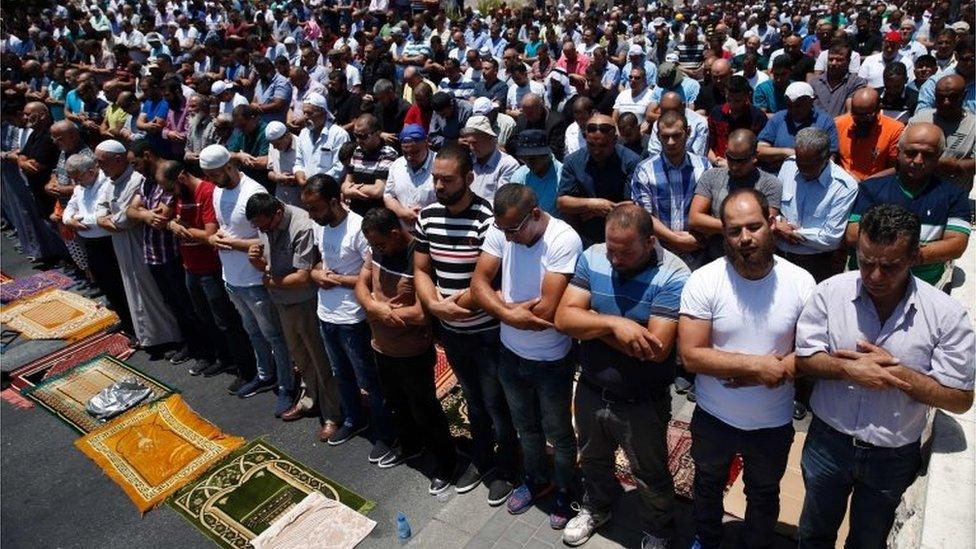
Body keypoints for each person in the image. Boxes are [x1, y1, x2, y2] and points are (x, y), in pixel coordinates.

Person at [795, 203, 975, 548]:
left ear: (914, 258)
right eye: (866, 262)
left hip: (892, 457)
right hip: (828, 443)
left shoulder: (947, 316)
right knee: (813, 533)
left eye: (889, 266)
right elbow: (804, 360)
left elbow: (960, 399)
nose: (875, 276)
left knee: (868, 541)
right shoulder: (830, 292)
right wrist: (848, 368)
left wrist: (899, 373)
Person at [679, 187, 816, 549]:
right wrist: (756, 367)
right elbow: (691, 355)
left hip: (772, 422)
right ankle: (706, 539)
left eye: (753, 227)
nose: (745, 238)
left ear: (771, 223)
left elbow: (813, 352)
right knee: (707, 484)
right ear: (723, 233)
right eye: (734, 230)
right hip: (713, 417)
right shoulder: (704, 280)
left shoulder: (801, 283)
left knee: (764, 492)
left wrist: (781, 368)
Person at [555, 204, 689, 549]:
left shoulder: (674, 275)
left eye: (625, 252)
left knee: (650, 474)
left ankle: (658, 530)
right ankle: (596, 507)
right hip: (590, 388)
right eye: (611, 249)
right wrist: (616, 323)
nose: (615, 259)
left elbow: (654, 348)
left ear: (650, 241)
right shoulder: (593, 256)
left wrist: (591, 323)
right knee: (593, 460)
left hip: (641, 401)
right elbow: (564, 320)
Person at [413, 144, 519, 506]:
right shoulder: (427, 216)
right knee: (472, 398)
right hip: (452, 330)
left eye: (447, 179)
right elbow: (422, 270)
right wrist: (431, 303)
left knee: (496, 400)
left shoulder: (488, 220)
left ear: (469, 178)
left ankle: (507, 466)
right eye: (436, 179)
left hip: (487, 332)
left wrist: (454, 304)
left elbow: (491, 279)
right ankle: (482, 458)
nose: (439, 186)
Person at [471, 183, 582, 528]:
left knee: (559, 431)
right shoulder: (504, 228)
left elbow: (546, 312)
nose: (507, 239)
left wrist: (501, 302)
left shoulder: (564, 240)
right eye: (502, 230)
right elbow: (478, 285)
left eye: (513, 231)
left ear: (535, 215)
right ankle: (536, 479)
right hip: (510, 353)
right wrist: (508, 312)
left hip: (551, 359)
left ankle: (567, 488)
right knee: (525, 427)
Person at [354, 206, 457, 487]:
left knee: (425, 408)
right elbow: (361, 285)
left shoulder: (418, 257)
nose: (378, 249)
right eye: (374, 245)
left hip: (412, 351)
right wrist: (373, 305)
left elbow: (425, 313)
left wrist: (387, 314)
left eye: (381, 243)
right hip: (381, 346)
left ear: (396, 233)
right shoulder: (377, 249)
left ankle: (447, 463)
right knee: (396, 403)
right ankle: (411, 446)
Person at [300, 173, 395, 456]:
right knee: (341, 374)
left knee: (368, 378)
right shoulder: (320, 226)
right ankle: (354, 419)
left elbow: (374, 277)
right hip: (326, 313)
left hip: (353, 317)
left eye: (315, 208)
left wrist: (338, 280)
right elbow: (319, 263)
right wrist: (317, 273)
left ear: (333, 201)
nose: (312, 215)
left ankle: (385, 432)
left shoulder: (357, 228)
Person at [198, 144, 295, 403]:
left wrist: (229, 242)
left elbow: (265, 241)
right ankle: (265, 375)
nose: (211, 181)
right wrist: (216, 236)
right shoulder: (218, 191)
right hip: (231, 277)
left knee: (274, 335)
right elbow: (223, 226)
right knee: (252, 332)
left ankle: (286, 385)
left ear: (229, 166)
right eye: (207, 176)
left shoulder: (253, 192)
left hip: (254, 279)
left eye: (214, 174)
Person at [244, 192, 341, 433]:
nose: (261, 231)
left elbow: (301, 277)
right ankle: (309, 400)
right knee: (300, 355)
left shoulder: (301, 226)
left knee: (320, 358)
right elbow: (268, 266)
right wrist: (257, 263)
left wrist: (269, 280)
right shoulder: (265, 224)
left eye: (264, 226)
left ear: (277, 214)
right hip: (282, 301)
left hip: (304, 302)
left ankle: (333, 413)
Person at [158, 160, 254, 382]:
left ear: (181, 177)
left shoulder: (206, 192)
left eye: (170, 188)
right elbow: (165, 215)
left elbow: (211, 235)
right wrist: (171, 222)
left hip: (210, 267)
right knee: (204, 317)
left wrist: (180, 228)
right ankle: (220, 358)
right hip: (190, 266)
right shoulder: (181, 194)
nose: (170, 194)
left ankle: (243, 367)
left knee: (226, 321)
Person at [844, 123, 971, 290]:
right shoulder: (871, 189)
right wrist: (905, 254)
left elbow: (956, 245)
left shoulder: (954, 195)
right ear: (898, 152)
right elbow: (853, 235)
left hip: (924, 286)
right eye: (911, 153)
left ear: (939, 156)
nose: (918, 161)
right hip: (867, 283)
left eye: (928, 155)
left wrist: (905, 256)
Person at [93, 139, 181, 350]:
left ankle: (166, 337)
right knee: (133, 289)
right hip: (121, 244)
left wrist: (110, 221)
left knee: (150, 292)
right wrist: (103, 219)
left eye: (101, 161)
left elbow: (126, 219)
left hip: (138, 242)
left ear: (117, 159)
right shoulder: (110, 180)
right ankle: (148, 336)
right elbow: (100, 207)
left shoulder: (135, 179)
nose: (99, 167)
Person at [62, 152, 135, 341]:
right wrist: (69, 220)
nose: (75, 181)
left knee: (120, 285)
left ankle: (134, 325)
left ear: (91, 171)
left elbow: (101, 216)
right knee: (106, 285)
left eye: (77, 177)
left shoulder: (106, 183)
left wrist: (78, 219)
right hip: (91, 242)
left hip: (108, 241)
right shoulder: (79, 187)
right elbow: (68, 210)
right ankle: (124, 319)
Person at [775, 126, 859, 284]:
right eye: (800, 162)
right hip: (780, 257)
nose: (802, 169)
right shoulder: (789, 165)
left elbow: (831, 238)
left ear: (827, 157)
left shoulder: (843, 186)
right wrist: (777, 224)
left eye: (810, 165)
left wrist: (789, 233)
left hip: (816, 263)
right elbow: (776, 207)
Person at [632, 110, 712, 270]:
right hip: (659, 255)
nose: (670, 142)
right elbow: (644, 216)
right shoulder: (644, 170)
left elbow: (712, 210)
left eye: (676, 135)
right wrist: (676, 239)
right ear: (657, 135)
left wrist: (700, 238)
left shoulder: (704, 167)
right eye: (665, 136)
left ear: (688, 132)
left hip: (698, 252)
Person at [689, 129, 782, 261]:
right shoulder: (711, 176)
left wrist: (717, 226)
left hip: (753, 259)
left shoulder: (770, 184)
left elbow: (765, 227)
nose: (734, 166)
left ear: (755, 156)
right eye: (730, 158)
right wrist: (738, 227)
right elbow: (695, 219)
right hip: (716, 257)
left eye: (741, 161)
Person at [557, 113, 642, 245]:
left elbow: (636, 205)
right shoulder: (573, 161)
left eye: (603, 145)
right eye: (591, 145)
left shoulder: (631, 161)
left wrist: (595, 211)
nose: (597, 151)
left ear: (615, 140)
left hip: (623, 235)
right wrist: (593, 204)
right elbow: (562, 202)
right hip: (585, 236)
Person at [908, 74, 976, 187]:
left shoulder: (973, 125)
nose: (946, 102)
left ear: (964, 95)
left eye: (952, 97)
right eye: (940, 97)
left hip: (956, 195)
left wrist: (956, 166)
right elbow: (901, 154)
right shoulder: (919, 121)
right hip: (919, 192)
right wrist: (937, 164)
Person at [757, 82, 840, 173]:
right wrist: (788, 153)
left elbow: (830, 158)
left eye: (799, 106)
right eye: (789, 106)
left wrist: (779, 158)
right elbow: (760, 150)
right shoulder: (779, 118)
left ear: (811, 101)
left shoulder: (824, 122)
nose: (794, 110)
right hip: (777, 175)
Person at [835, 87, 905, 181]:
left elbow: (895, 168)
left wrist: (868, 182)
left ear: (878, 109)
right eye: (856, 114)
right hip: (842, 181)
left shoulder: (894, 129)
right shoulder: (839, 124)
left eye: (866, 115)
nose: (860, 119)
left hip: (875, 184)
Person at [341, 113, 399, 216]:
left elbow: (378, 191)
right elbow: (345, 185)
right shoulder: (357, 152)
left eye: (363, 136)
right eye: (356, 136)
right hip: (356, 213)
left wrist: (352, 189)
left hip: (377, 216)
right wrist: (347, 189)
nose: (358, 141)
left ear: (377, 133)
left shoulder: (388, 154)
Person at [383, 124, 436, 229]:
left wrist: (423, 216)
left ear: (426, 144)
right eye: (405, 152)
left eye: (415, 152)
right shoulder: (397, 165)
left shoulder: (440, 164)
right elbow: (388, 196)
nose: (410, 157)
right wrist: (403, 213)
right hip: (405, 232)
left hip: (433, 229)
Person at [707, 76, 768, 166]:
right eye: (729, 99)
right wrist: (717, 162)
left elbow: (760, 149)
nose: (732, 104)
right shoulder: (716, 113)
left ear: (747, 96)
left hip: (747, 168)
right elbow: (707, 146)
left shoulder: (757, 117)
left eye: (738, 101)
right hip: (718, 165)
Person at [459, 115, 520, 203]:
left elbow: (503, 202)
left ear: (490, 139)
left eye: (475, 142)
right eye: (469, 143)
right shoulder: (468, 160)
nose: (471, 148)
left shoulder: (508, 164)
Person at [509, 129, 562, 217]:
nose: (528, 162)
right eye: (524, 158)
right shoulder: (519, 175)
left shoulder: (562, 175)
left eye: (533, 158)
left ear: (546, 155)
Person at [811, 44, 868, 118]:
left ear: (848, 61)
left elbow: (849, 114)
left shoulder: (856, 83)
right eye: (831, 59)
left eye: (839, 60)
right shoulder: (815, 83)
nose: (833, 63)